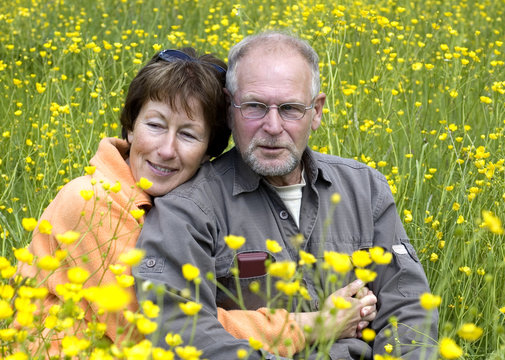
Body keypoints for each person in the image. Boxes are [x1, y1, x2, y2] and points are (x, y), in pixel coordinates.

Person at [17, 47, 358, 358]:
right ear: (130, 128)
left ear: (210, 150)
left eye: (188, 134)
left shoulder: (190, 209)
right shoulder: (91, 201)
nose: (166, 149)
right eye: (154, 125)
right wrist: (309, 325)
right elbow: (157, 335)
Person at [135, 30, 438, 360]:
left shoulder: (365, 189)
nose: (273, 126)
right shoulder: (187, 211)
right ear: (228, 109)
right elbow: (182, 334)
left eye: (291, 108)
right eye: (255, 106)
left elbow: (409, 306)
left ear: (317, 111)